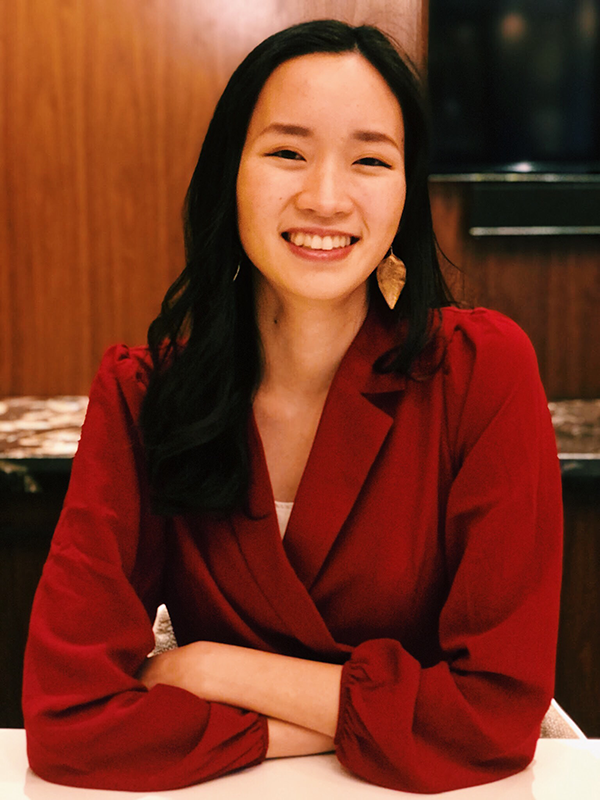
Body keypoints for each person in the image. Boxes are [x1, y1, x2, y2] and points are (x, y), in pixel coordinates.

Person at [22, 19, 563, 794]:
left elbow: (495, 717)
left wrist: (209, 668)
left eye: (370, 160)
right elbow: (67, 723)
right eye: (287, 152)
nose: (326, 198)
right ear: (229, 175)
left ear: (406, 192)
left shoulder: (482, 372)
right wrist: (337, 723)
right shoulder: (145, 396)